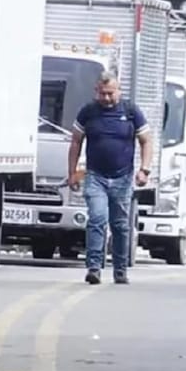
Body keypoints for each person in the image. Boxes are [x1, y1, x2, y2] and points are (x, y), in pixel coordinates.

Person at [68, 72, 153, 285]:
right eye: (102, 94)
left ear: (119, 91)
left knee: (120, 225)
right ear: (96, 91)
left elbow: (146, 141)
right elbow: (76, 142)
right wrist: (72, 172)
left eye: (110, 94)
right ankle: (94, 267)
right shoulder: (88, 112)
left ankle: (120, 269)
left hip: (122, 178)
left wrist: (144, 170)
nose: (106, 98)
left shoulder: (131, 112)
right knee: (97, 219)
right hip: (95, 176)